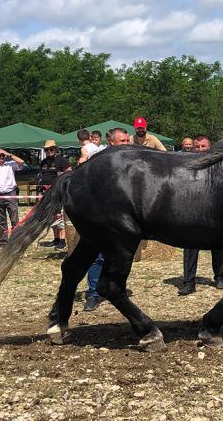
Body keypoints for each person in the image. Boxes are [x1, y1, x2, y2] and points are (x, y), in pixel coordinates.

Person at [83, 127, 131, 311]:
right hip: (101, 216)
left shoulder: (132, 162)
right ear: (111, 142)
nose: (127, 144)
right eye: (123, 141)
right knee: (96, 256)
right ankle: (94, 294)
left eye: (127, 140)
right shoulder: (100, 161)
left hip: (122, 218)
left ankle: (116, 291)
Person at [179, 135, 223, 295]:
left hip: (214, 212)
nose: (200, 150)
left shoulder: (219, 164)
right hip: (192, 212)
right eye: (197, 147)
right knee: (190, 247)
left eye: (203, 146)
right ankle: (188, 282)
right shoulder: (187, 166)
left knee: (218, 246)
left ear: (210, 147)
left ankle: (219, 277)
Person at [38, 140, 72, 250]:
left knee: (60, 216)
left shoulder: (63, 161)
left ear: (55, 149)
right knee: (51, 217)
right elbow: (42, 176)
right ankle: (56, 239)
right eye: (46, 150)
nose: (48, 151)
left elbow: (69, 174)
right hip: (46, 193)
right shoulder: (43, 162)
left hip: (59, 193)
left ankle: (62, 241)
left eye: (51, 149)